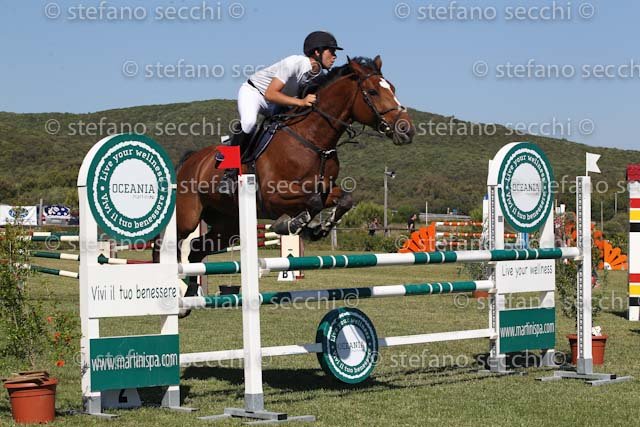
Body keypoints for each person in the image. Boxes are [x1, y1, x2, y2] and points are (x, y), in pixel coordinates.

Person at [216, 31, 343, 194]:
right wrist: (301, 102)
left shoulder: (317, 74)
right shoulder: (293, 63)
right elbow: (270, 94)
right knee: (248, 123)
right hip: (255, 93)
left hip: (278, 101)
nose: (334, 56)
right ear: (317, 52)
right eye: (331, 51)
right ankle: (229, 172)